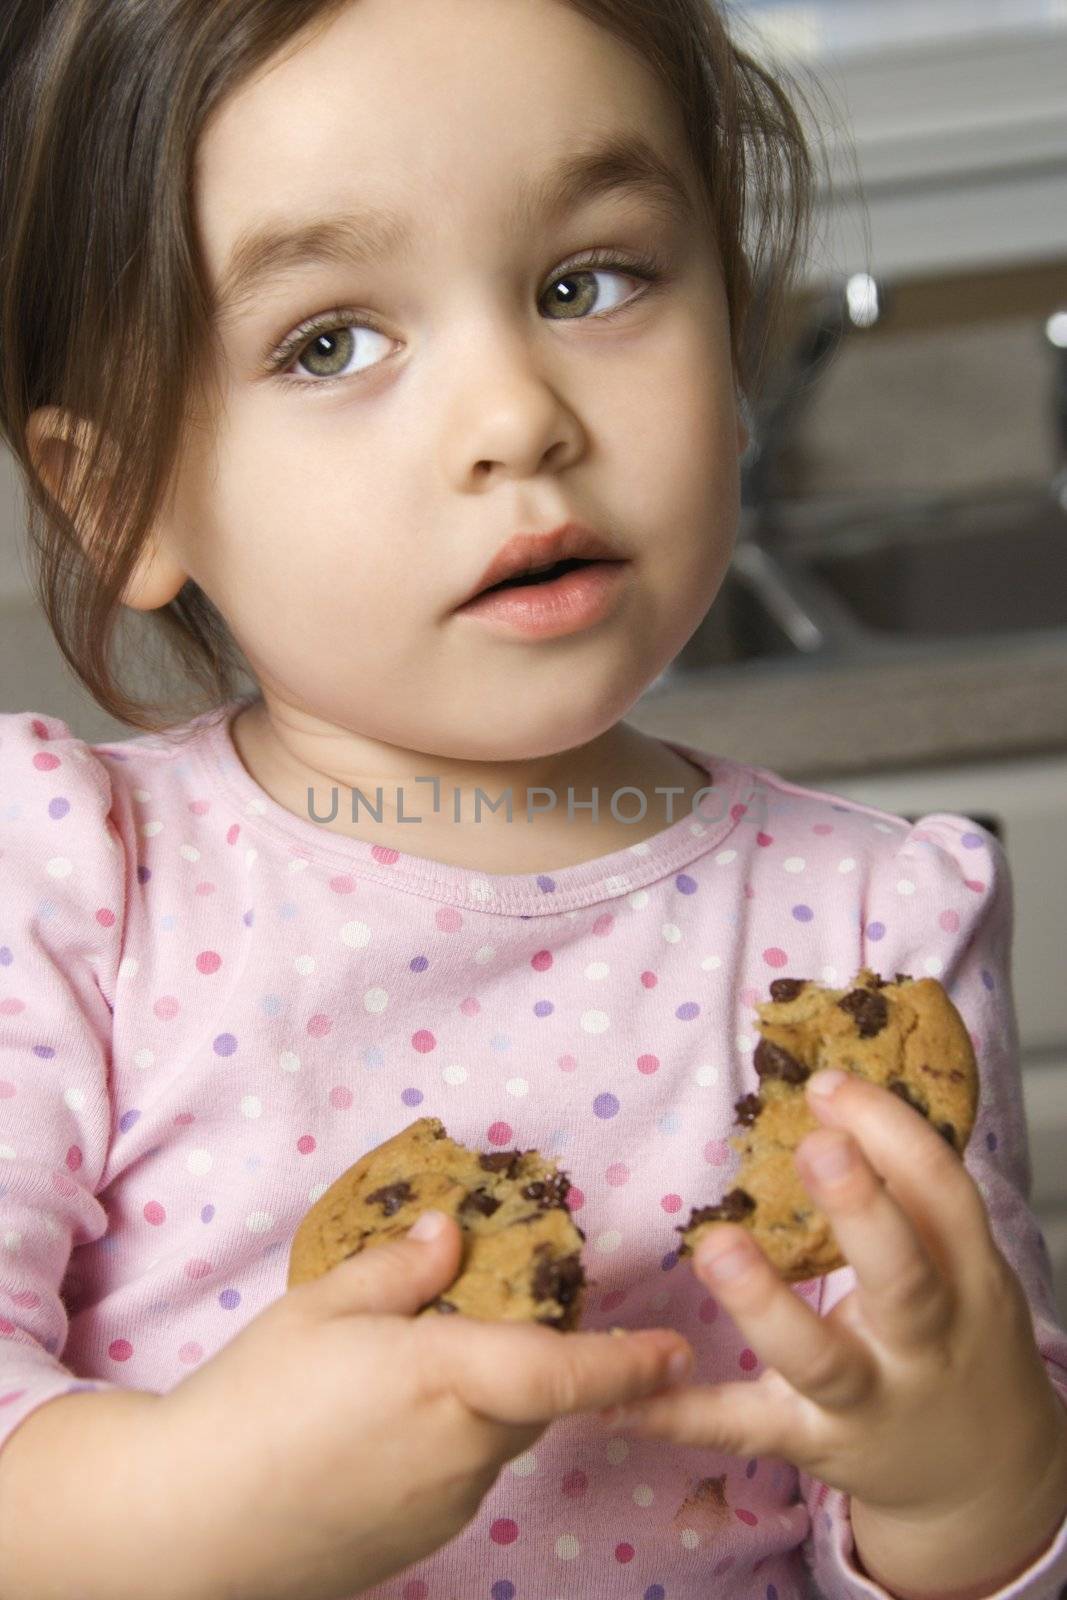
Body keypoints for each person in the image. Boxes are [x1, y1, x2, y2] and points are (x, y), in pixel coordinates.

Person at [0, 0, 1065, 1596]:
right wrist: (200, 1508)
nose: (517, 420)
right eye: (331, 341)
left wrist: (973, 1475)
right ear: (122, 497)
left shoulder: (871, 929)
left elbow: (953, 1545)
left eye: (591, 282)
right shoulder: (75, 891)